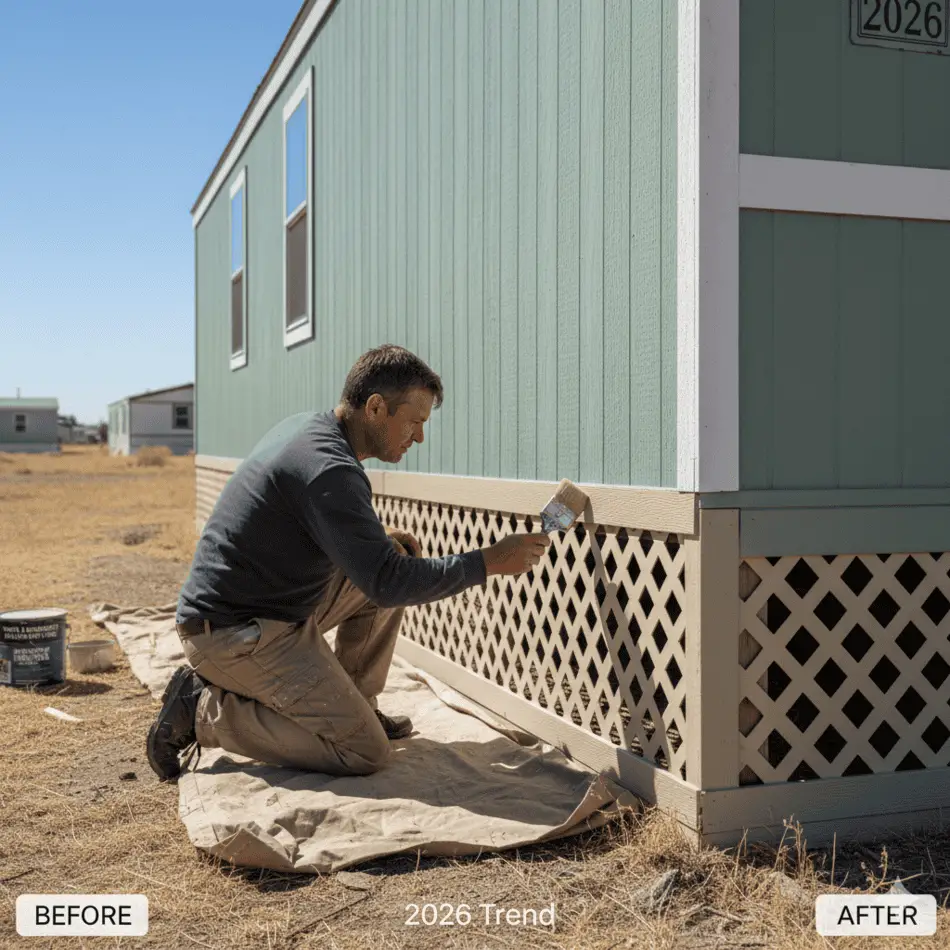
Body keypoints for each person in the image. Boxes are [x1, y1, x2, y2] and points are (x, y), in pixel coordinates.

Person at [146, 344, 551, 782]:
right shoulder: (329, 468)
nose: (419, 437)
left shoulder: (312, 430)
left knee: (395, 555)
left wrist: (376, 541)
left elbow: (311, 526)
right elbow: (388, 583)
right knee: (363, 752)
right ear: (375, 408)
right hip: (232, 634)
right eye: (414, 422)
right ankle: (201, 710)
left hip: (268, 608)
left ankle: (358, 703)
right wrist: (489, 561)